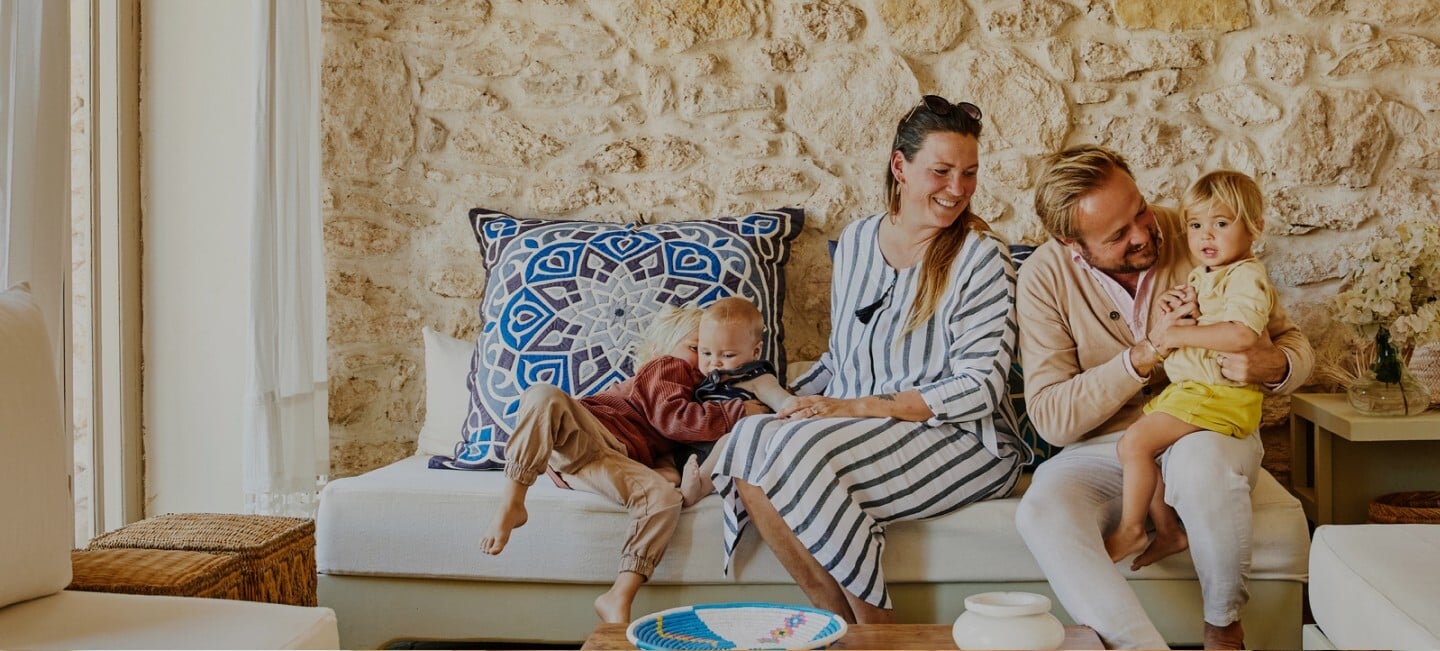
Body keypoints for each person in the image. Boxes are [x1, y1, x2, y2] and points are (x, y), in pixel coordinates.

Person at [710, 95, 1028, 625]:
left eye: (969, 174)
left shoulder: (981, 256)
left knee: (805, 455)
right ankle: (841, 629)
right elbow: (841, 358)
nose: (958, 189)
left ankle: (880, 633)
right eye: (942, 171)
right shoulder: (857, 240)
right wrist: (792, 404)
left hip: (963, 439)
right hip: (865, 425)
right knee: (747, 443)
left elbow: (979, 388)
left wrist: (853, 408)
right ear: (900, 167)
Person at [1014, 145, 1313, 650]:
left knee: (1199, 467)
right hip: (1109, 445)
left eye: (1139, 210)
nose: (1142, 233)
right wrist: (1144, 353)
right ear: (1072, 243)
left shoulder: (1197, 230)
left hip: (1209, 425)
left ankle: (1223, 629)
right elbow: (1052, 418)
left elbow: (1293, 342)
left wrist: (1275, 365)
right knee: (1040, 508)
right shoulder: (1044, 278)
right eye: (1117, 235)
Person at [477, 305, 768, 624]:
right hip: (586, 431)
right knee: (544, 395)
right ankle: (512, 502)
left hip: (600, 466)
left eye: (714, 353)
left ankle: (619, 595)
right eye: (697, 349)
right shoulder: (666, 368)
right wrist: (739, 412)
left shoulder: (695, 397)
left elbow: (668, 459)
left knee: (663, 499)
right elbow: (675, 421)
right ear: (661, 348)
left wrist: (675, 481)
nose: (705, 362)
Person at [1105, 170, 1278, 569]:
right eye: (1196, 225)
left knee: (1132, 445)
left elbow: (1240, 335)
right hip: (1193, 392)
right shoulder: (1204, 275)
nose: (1206, 236)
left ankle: (1133, 528)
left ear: (1254, 228)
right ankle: (1169, 532)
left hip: (1219, 394)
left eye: (1221, 224)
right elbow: (1201, 323)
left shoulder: (1247, 275)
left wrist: (1179, 335)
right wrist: (1179, 309)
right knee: (1142, 448)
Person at [679, 296, 794, 507]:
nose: (714, 362)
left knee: (729, 440)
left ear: (755, 351)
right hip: (696, 447)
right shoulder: (698, 379)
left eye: (728, 354)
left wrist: (797, 408)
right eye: (705, 352)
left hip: (732, 450)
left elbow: (783, 401)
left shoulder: (754, 377)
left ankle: (697, 488)